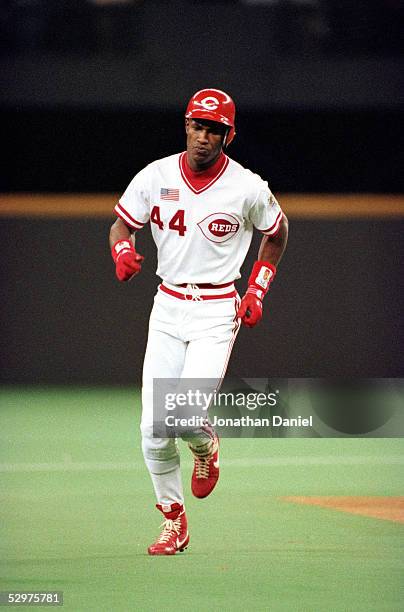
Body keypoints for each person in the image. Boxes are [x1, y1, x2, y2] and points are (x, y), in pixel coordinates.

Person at [109, 88, 288, 555]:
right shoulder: (157, 174)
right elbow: (122, 223)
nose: (203, 136)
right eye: (197, 125)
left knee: (183, 415)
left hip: (214, 309)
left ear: (228, 135)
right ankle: (174, 520)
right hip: (167, 305)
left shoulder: (247, 186)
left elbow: (277, 231)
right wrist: (122, 249)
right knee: (152, 425)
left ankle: (206, 447)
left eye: (214, 129)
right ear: (185, 125)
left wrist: (257, 288)